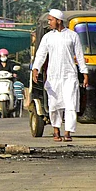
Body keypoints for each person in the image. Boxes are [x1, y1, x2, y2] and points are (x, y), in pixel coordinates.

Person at [32, 8, 89, 142]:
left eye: (51, 20)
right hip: (53, 76)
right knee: (54, 104)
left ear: (58, 21)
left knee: (70, 104)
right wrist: (35, 69)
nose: (49, 22)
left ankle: (68, 132)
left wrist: (84, 73)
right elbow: (41, 54)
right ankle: (56, 130)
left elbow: (79, 55)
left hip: (70, 75)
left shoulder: (72, 36)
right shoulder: (48, 37)